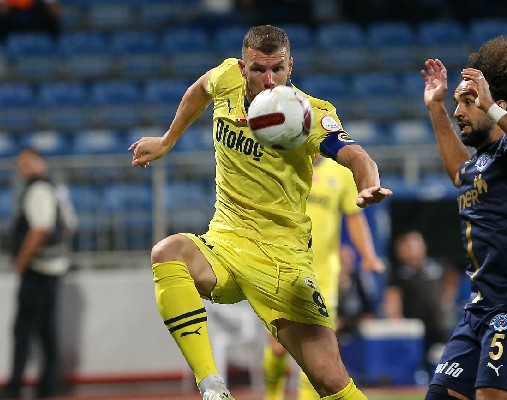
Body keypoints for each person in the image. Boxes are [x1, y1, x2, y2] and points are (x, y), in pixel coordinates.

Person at [128, 24, 392, 400]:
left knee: (330, 381)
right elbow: (199, 90)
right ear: (242, 67)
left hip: (282, 262)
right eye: (258, 69)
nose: (269, 80)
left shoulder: (309, 114)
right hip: (225, 244)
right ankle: (213, 386)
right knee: (167, 252)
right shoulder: (226, 78)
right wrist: (168, 140)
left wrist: (368, 183)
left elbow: (356, 155)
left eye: (277, 69)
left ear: (290, 67)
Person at [421, 35, 507, 400]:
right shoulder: (477, 163)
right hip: (478, 307)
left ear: (495, 104)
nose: (459, 111)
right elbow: (459, 173)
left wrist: (492, 109)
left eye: (468, 101)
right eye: (457, 103)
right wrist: (436, 107)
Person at [263, 155, 385, 400]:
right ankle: (272, 396)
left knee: (316, 355)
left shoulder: (341, 173)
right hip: (283, 270)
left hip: (324, 277)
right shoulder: (283, 165)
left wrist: (368, 255)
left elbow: (354, 216)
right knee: (278, 348)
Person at [0, 147, 77, 400]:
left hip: (38, 269)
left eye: (26, 161)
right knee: (46, 328)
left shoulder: (38, 189)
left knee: (23, 329)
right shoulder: (56, 187)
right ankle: (48, 385)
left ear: (38, 162)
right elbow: (69, 225)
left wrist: (22, 261)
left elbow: (40, 229)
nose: (22, 167)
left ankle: (15, 386)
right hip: (54, 268)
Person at [384, 230, 454, 371]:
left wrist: (447, 303)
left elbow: (452, 277)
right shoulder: (399, 274)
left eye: (415, 244)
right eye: (407, 246)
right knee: (416, 367)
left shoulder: (437, 266)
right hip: (415, 330)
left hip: (438, 327)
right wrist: (395, 316)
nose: (412, 249)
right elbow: (393, 297)